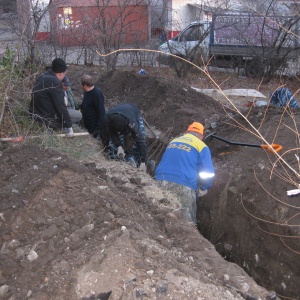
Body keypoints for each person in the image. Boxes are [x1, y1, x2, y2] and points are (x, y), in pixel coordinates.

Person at [155, 122, 215, 223]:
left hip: (159, 181)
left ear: (187, 132)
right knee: (186, 225)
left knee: (158, 217)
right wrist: (204, 188)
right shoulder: (201, 146)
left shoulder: (174, 141)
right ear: (201, 136)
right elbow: (207, 173)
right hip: (183, 185)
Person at [29, 58, 74, 137]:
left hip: (35, 114)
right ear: (60, 74)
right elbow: (60, 106)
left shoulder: (42, 76)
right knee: (78, 115)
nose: (64, 76)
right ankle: (61, 127)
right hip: (47, 119)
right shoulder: (55, 82)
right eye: (64, 74)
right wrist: (69, 126)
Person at [101, 103, 147, 171]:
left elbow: (141, 141)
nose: (118, 133)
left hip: (133, 111)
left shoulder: (132, 124)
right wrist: (117, 146)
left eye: (120, 132)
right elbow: (105, 134)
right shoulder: (107, 119)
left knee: (139, 138)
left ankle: (138, 162)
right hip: (116, 114)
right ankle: (122, 156)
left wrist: (143, 161)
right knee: (113, 147)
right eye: (117, 133)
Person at [80, 75, 106, 139]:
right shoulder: (86, 92)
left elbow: (101, 112)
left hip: (93, 125)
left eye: (81, 84)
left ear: (85, 85)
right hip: (87, 121)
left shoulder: (97, 94)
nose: (80, 86)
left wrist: (97, 129)